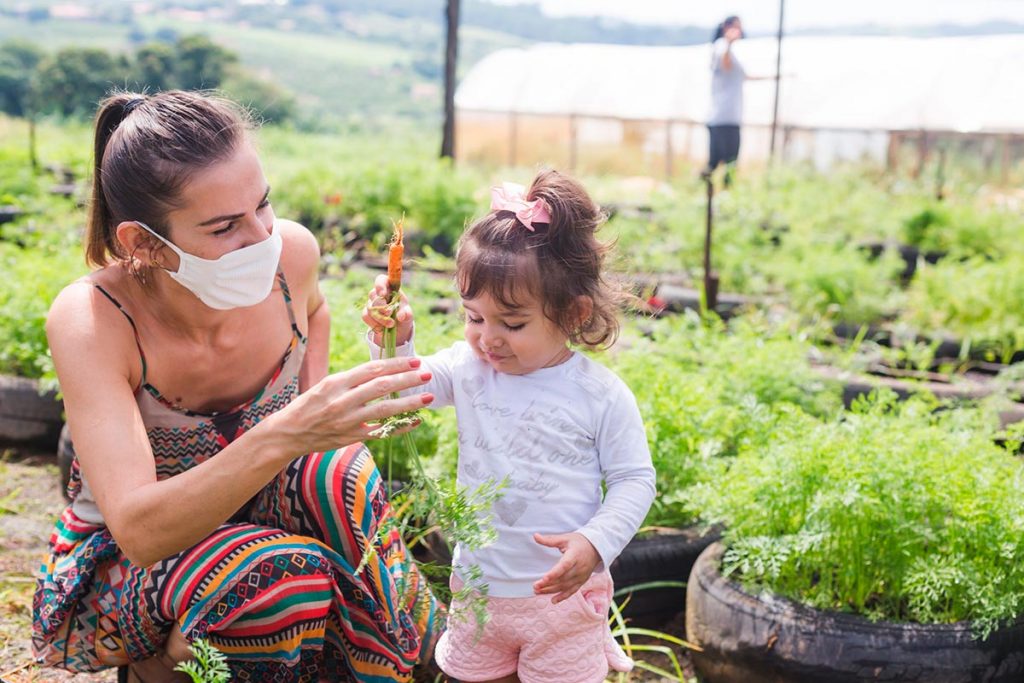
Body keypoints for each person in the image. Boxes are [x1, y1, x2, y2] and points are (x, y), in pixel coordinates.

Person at [31, 90, 443, 682]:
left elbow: (316, 311)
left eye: (263, 206)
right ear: (144, 244)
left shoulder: (292, 257)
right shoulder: (94, 320)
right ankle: (161, 669)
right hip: (136, 560)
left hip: (261, 515)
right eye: (225, 227)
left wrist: (327, 398)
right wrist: (289, 431)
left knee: (341, 474)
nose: (261, 238)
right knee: (279, 579)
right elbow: (141, 532)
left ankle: (396, 666)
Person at [363, 170, 657, 683]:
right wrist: (397, 336)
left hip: (560, 599)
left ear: (572, 313)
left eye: (512, 323)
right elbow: (402, 388)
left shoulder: (600, 395)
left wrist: (595, 543)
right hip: (479, 590)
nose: (487, 339)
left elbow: (635, 480)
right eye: (473, 317)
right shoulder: (468, 369)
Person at [704, 15, 747, 186]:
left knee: (719, 163)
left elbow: (744, 76)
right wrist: (729, 42)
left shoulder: (731, 50)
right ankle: (718, 198)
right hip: (723, 117)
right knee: (726, 163)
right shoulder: (722, 46)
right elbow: (726, 63)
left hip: (729, 117)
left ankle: (711, 196)